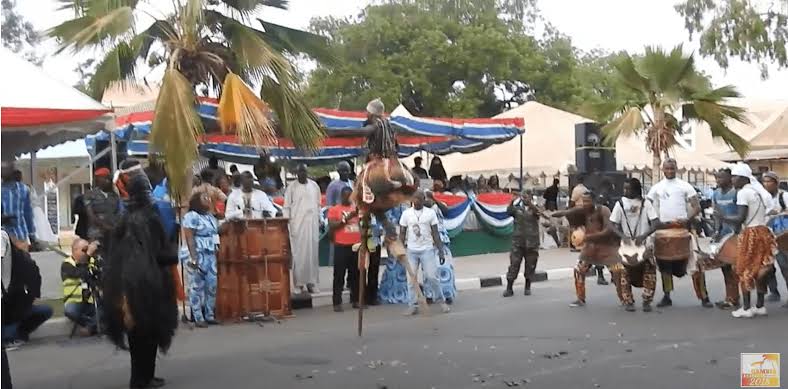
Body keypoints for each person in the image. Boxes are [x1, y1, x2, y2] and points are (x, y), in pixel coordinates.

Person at [102, 160, 178, 389]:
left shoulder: (125, 219)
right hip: (145, 285)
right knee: (145, 333)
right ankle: (140, 379)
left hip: (133, 284)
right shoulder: (148, 218)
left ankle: (145, 377)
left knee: (143, 333)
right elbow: (161, 253)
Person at [646, 158, 710, 308]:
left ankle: (704, 297)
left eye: (672, 168)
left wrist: (687, 219)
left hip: (683, 229)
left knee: (696, 264)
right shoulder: (656, 188)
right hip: (663, 230)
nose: (669, 171)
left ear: (676, 169)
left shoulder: (685, 186)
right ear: (662, 169)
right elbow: (647, 206)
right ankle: (667, 296)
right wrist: (654, 220)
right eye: (667, 168)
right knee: (664, 264)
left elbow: (696, 207)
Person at [552, 192, 626, 308]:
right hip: (590, 248)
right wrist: (550, 214)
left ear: (594, 201)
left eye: (587, 201)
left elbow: (608, 230)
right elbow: (567, 212)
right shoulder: (583, 210)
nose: (585, 204)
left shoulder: (603, 210)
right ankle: (580, 298)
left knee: (618, 272)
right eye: (583, 201)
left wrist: (588, 237)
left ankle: (625, 299)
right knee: (578, 270)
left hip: (606, 248)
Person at [721, 164, 776, 318]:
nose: (732, 180)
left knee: (743, 269)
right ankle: (760, 306)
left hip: (750, 234)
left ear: (743, 178)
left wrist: (722, 217)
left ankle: (746, 308)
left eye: (734, 177)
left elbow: (740, 218)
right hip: (763, 232)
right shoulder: (757, 192)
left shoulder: (743, 193)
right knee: (759, 270)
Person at [609, 179, 659, 312]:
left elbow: (656, 223)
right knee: (624, 273)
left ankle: (647, 301)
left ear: (636, 190)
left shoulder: (646, 203)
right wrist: (623, 236)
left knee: (649, 270)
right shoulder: (620, 204)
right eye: (624, 188)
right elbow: (612, 224)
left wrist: (644, 236)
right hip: (626, 246)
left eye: (628, 189)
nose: (625, 191)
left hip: (644, 244)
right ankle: (628, 301)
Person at [400, 190, 450, 315]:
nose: (416, 201)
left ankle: (441, 301)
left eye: (419, 199)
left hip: (427, 250)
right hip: (411, 251)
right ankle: (413, 305)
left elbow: (435, 233)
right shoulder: (406, 214)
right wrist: (400, 251)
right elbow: (402, 233)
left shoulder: (430, 213)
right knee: (411, 279)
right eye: (414, 199)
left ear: (423, 200)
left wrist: (440, 251)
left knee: (432, 277)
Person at [1, 228, 50, 349]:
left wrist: (32, 297)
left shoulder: (27, 263)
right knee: (8, 333)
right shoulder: (12, 264)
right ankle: (10, 335)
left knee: (45, 310)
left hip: (22, 307)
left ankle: (19, 334)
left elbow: (35, 281)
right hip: (9, 309)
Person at [183, 192, 220, 328]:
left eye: (209, 198)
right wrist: (194, 258)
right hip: (198, 254)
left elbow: (215, 234)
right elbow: (189, 237)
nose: (208, 200)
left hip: (211, 255)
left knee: (212, 285)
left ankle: (209, 315)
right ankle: (198, 317)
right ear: (197, 201)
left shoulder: (210, 217)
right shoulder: (192, 216)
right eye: (205, 198)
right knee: (196, 286)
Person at [284, 165, 322, 294]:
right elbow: (286, 207)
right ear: (296, 173)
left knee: (312, 254)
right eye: (300, 171)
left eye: (304, 171)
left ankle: (312, 283)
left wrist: (320, 219)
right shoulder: (291, 188)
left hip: (312, 225)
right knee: (298, 254)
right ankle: (298, 284)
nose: (302, 174)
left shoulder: (314, 186)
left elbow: (318, 205)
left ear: (307, 172)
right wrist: (287, 224)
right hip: (297, 225)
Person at [709, 168, 741, 309]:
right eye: (717, 178)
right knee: (725, 267)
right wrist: (716, 230)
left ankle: (737, 298)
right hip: (723, 235)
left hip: (736, 234)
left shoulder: (736, 193)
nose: (718, 180)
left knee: (735, 268)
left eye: (721, 178)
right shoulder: (716, 193)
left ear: (729, 178)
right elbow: (717, 214)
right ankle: (730, 298)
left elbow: (741, 214)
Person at [328, 187, 361, 312]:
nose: (348, 198)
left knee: (355, 275)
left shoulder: (356, 208)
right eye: (346, 196)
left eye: (350, 196)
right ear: (341, 196)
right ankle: (337, 302)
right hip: (341, 245)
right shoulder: (334, 209)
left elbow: (361, 224)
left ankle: (356, 300)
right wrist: (346, 219)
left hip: (355, 246)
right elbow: (332, 225)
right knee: (339, 275)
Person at [503, 190, 541, 297]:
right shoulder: (517, 209)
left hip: (532, 242)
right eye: (524, 197)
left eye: (527, 197)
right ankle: (509, 288)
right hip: (518, 242)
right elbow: (508, 211)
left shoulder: (534, 208)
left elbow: (539, 212)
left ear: (531, 198)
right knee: (514, 264)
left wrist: (530, 204)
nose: (525, 199)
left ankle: (527, 287)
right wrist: (512, 201)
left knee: (530, 265)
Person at [61, 239, 99, 336]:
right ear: (75, 250)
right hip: (75, 302)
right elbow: (82, 274)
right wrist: (88, 255)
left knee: (108, 309)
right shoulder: (67, 264)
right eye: (84, 250)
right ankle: (93, 325)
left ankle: (91, 327)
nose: (86, 252)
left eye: (88, 249)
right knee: (70, 311)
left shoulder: (93, 261)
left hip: (91, 301)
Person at [425, 190, 457, 304]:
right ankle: (430, 295)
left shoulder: (438, 206)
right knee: (428, 270)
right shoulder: (421, 209)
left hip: (441, 240)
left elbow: (446, 211)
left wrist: (434, 199)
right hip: (427, 241)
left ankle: (447, 294)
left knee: (444, 268)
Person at [762, 171, 788, 307]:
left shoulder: (784, 196)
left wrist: (777, 213)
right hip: (769, 235)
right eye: (764, 181)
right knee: (769, 266)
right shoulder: (763, 197)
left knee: (785, 266)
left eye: (769, 181)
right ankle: (773, 291)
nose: (766, 184)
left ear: (776, 183)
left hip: (783, 235)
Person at [1, 162, 36, 251]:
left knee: (21, 259)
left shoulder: (24, 189)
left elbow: (28, 213)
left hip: (18, 237)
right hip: (8, 237)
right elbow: (28, 214)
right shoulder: (23, 189)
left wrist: (31, 235)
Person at [84, 168, 122, 243]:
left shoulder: (114, 196)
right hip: (96, 233)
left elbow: (118, 213)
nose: (107, 181)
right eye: (104, 179)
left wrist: (116, 227)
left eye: (108, 179)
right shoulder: (90, 195)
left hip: (113, 233)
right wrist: (105, 226)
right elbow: (90, 215)